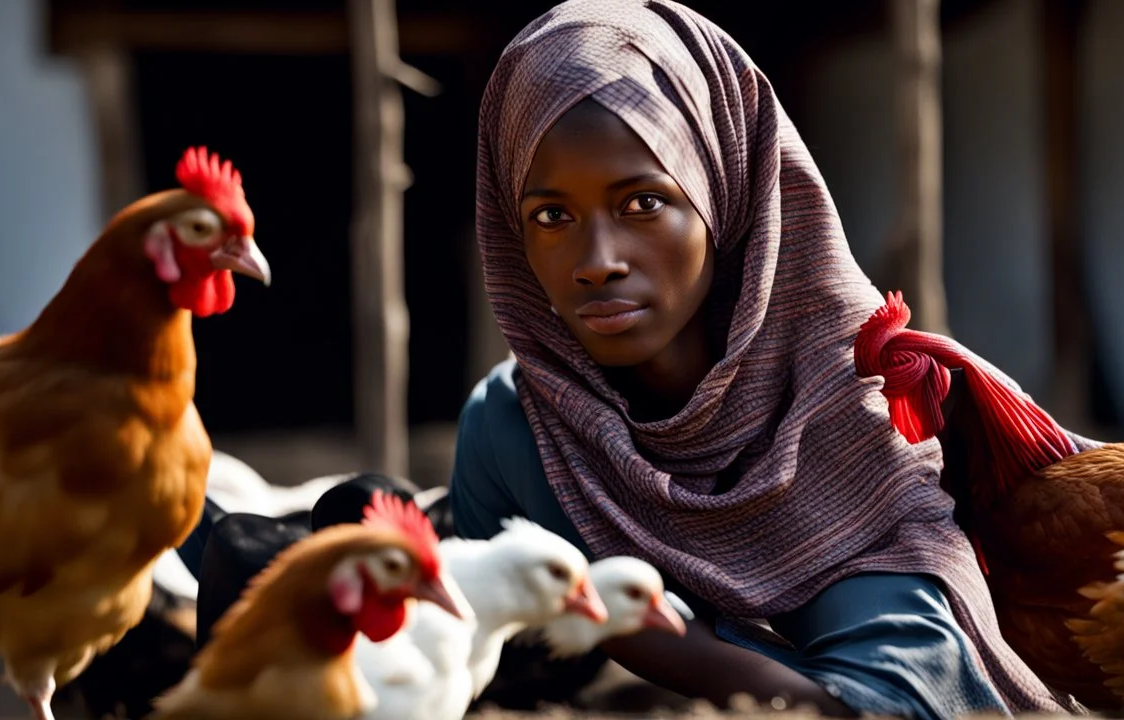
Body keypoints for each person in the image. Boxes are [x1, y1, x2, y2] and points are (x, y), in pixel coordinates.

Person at [449, 1, 1072, 718]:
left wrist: (647, 646)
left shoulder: (852, 398)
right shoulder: (515, 434)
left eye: (643, 203)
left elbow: (903, 687)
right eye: (551, 216)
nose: (598, 263)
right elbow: (470, 666)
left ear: (728, 193)